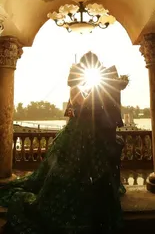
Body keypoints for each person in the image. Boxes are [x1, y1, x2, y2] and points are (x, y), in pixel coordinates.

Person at [0, 51, 128, 234]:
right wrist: (92, 98)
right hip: (78, 133)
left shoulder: (91, 87)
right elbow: (75, 110)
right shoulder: (75, 88)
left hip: (90, 133)